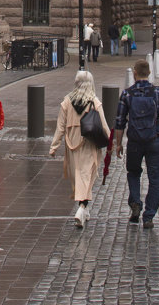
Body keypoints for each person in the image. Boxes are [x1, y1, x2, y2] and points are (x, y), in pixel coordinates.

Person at [48, 70, 111, 229]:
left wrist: (54, 146)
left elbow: (60, 126)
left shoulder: (67, 101)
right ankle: (82, 208)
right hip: (89, 143)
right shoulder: (94, 101)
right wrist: (111, 143)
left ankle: (85, 209)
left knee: (78, 175)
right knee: (86, 175)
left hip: (72, 142)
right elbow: (103, 125)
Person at [115, 59, 159, 229]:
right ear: (149, 73)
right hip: (154, 140)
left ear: (135, 72)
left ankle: (135, 203)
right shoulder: (158, 93)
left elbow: (119, 122)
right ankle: (149, 216)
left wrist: (118, 144)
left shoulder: (127, 94)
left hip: (134, 141)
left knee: (133, 173)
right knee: (155, 178)